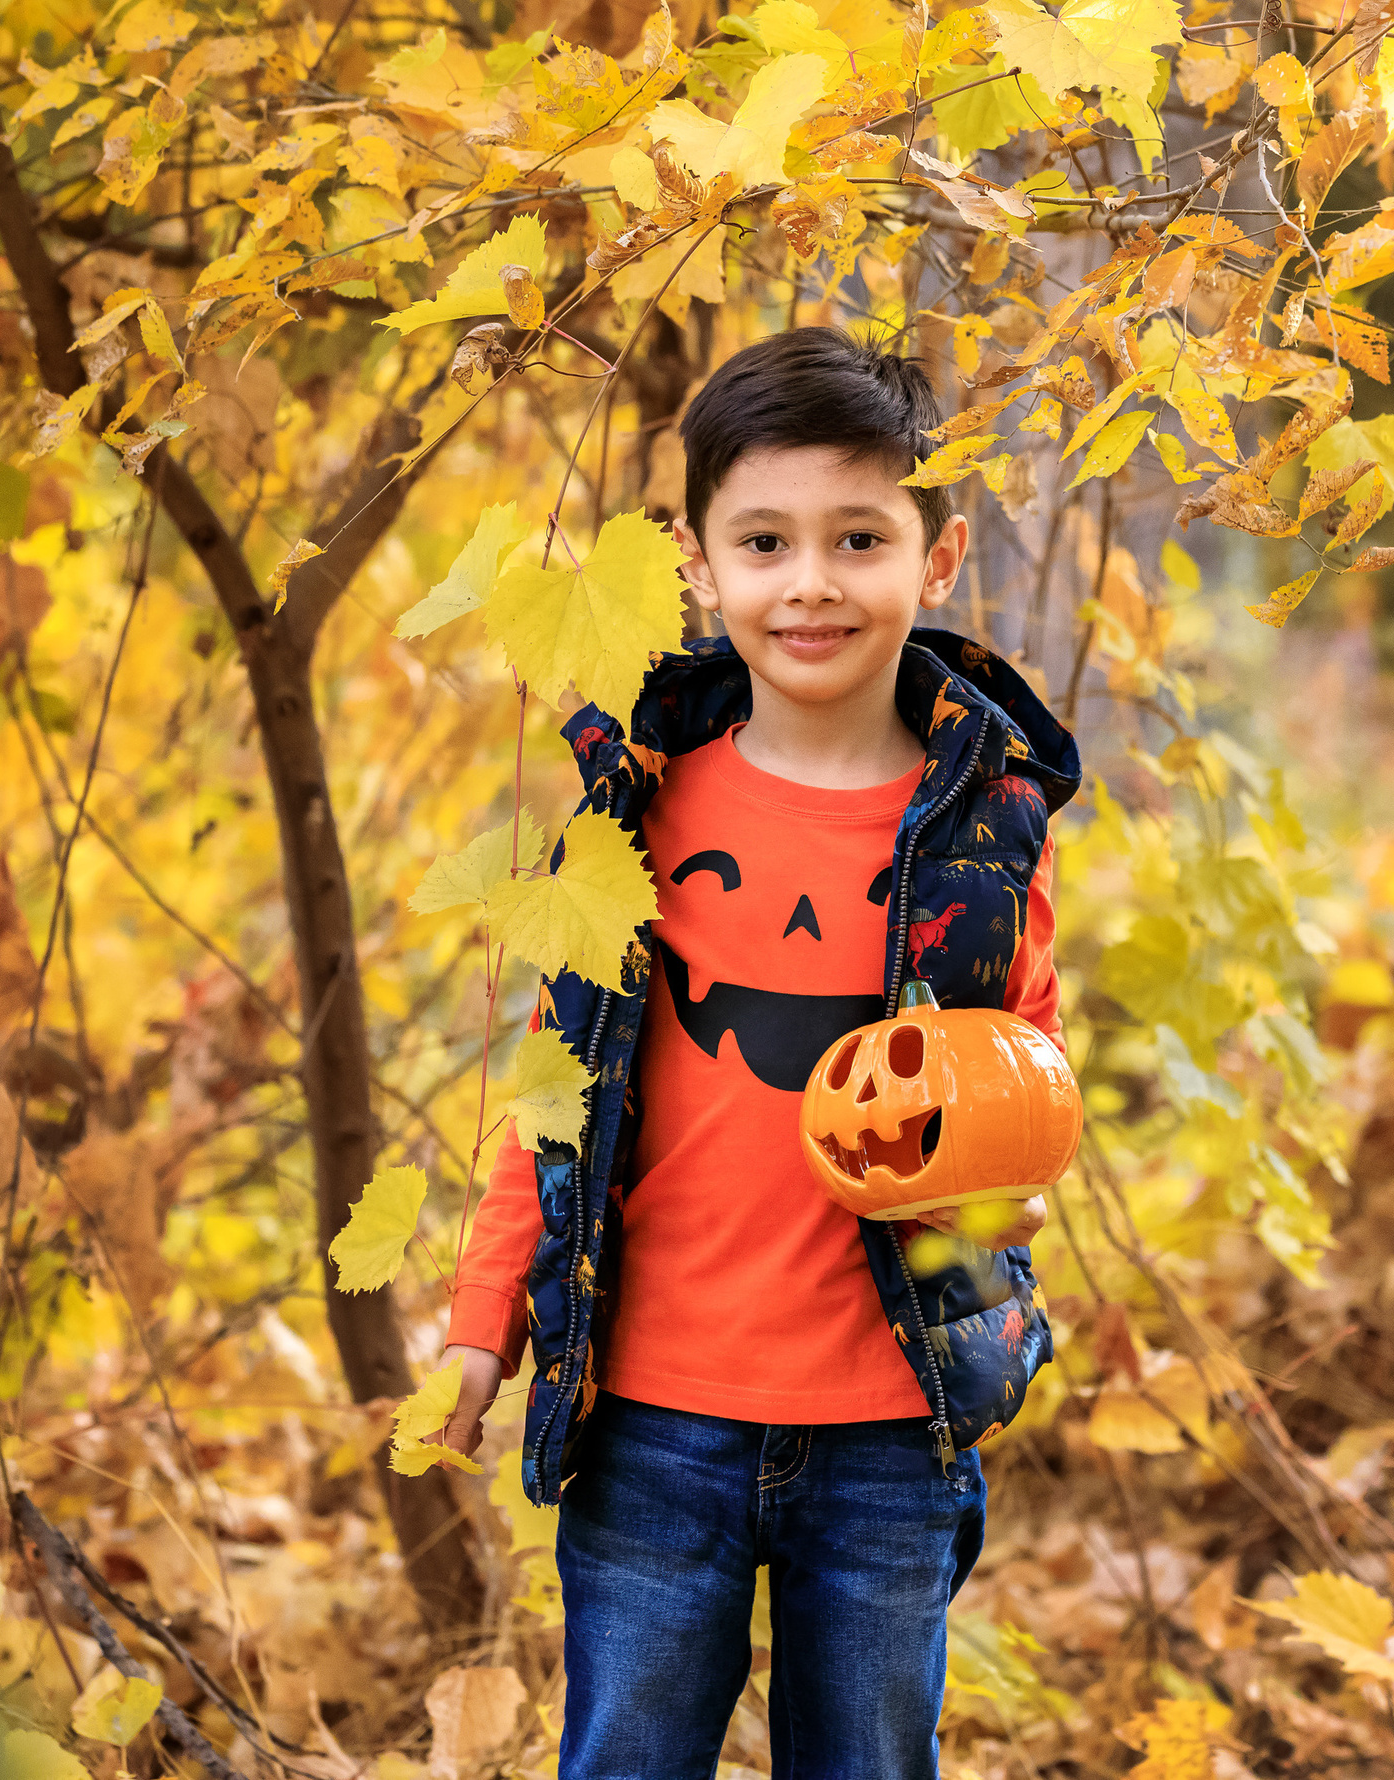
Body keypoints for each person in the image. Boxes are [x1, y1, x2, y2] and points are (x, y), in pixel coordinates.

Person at [433, 326, 1080, 1780]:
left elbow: (1020, 1067)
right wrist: (487, 1319)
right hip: (655, 1419)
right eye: (766, 541)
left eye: (859, 538)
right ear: (698, 561)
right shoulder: (637, 814)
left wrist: (1003, 1190)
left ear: (938, 556)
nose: (810, 584)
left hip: (892, 1420)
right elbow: (560, 1094)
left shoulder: (985, 834)